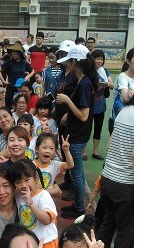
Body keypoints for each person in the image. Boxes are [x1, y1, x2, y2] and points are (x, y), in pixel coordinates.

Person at [56, 44, 97, 219]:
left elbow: (84, 115)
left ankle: (79, 207)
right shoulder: (83, 81)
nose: (67, 64)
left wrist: (67, 101)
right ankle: (78, 204)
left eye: (69, 61)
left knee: (77, 173)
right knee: (76, 172)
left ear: (74, 62)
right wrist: (69, 112)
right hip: (76, 132)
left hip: (78, 135)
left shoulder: (84, 84)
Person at [97, 95, 134, 248]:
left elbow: (110, 145)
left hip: (108, 178)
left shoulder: (123, 112)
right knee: (125, 231)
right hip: (125, 183)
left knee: (108, 223)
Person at [9, 159, 60, 248]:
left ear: (36, 177)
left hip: (47, 244)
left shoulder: (44, 196)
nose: (23, 185)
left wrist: (30, 203)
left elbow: (47, 220)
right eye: (18, 182)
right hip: (30, 244)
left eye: (27, 180)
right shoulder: (18, 194)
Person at [53, 40, 77, 199]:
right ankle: (68, 181)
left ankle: (74, 186)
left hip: (69, 118)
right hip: (59, 117)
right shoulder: (63, 73)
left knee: (70, 150)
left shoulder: (75, 75)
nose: (61, 56)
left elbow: (76, 98)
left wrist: (68, 113)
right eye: (60, 53)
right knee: (63, 148)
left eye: (64, 54)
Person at [90, 49, 113, 160]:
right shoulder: (88, 71)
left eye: (101, 59)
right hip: (89, 105)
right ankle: (83, 152)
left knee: (98, 128)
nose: (99, 61)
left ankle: (95, 151)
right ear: (92, 59)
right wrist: (104, 83)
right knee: (86, 128)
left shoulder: (105, 71)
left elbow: (112, 85)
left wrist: (104, 83)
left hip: (100, 105)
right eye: (97, 59)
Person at [34, 133, 74, 197]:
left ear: (55, 151)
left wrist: (66, 151)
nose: (47, 151)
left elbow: (70, 165)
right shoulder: (30, 165)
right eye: (44, 147)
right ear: (37, 149)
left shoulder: (54, 165)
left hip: (47, 199)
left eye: (51, 148)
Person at [0, 43, 34, 110]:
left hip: (21, 89)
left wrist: (27, 77)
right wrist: (3, 81)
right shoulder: (9, 62)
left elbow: (33, 71)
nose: (13, 53)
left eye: (15, 52)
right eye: (12, 51)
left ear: (19, 53)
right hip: (11, 87)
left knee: (21, 106)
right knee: (9, 106)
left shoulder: (24, 63)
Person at [109, 48, 134, 135]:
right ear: (128, 61)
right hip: (119, 121)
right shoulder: (122, 77)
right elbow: (126, 99)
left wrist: (133, 93)